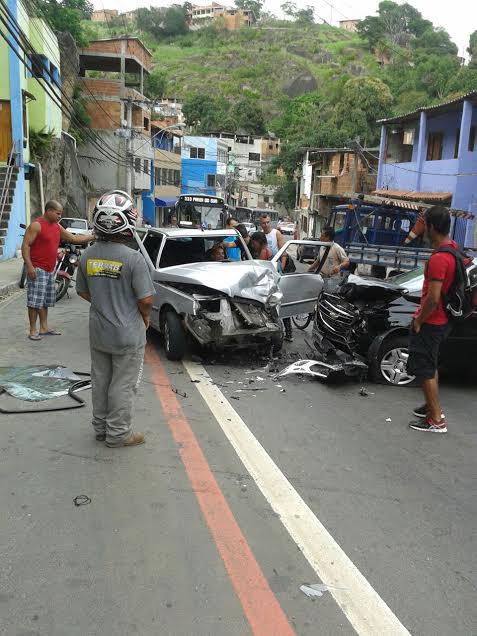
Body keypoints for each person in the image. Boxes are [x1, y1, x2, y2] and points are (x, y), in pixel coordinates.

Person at [76, 190, 155, 448]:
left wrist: (104, 303)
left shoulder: (87, 255)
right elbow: (145, 300)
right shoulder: (134, 259)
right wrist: (143, 317)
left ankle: (100, 428)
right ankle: (118, 433)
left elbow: (83, 291)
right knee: (123, 384)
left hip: (98, 331)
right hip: (127, 332)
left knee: (101, 380)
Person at [407, 206, 457, 434]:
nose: (423, 229)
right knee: (430, 364)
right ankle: (431, 406)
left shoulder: (439, 259)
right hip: (444, 320)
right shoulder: (453, 249)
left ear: (432, 227)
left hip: (432, 321)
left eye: (425, 225)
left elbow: (433, 298)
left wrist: (419, 320)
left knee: (424, 369)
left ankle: (436, 419)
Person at [21, 200, 93, 341]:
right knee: (34, 302)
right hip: (37, 268)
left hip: (50, 269)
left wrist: (94, 236)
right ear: (49, 211)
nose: (60, 216)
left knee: (45, 301)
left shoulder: (56, 226)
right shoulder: (36, 225)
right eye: (58, 213)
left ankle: (44, 328)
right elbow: (25, 246)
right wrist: (29, 266)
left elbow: (73, 238)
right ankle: (32, 330)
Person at [252, 225, 293, 342]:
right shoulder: (269, 250)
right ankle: (288, 333)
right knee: (281, 308)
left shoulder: (265, 251)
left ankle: (275, 335)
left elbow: (258, 269)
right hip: (276, 280)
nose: (253, 246)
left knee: (274, 309)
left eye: (254, 243)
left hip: (273, 283)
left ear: (259, 242)